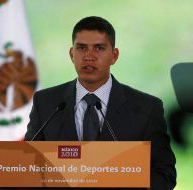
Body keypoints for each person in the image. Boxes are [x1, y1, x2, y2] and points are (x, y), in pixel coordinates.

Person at [25, 16, 176, 189]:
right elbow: (28, 167)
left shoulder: (147, 108)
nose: (89, 56)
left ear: (114, 55)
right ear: (71, 54)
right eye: (81, 48)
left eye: (99, 48)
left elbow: (165, 176)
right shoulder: (46, 103)